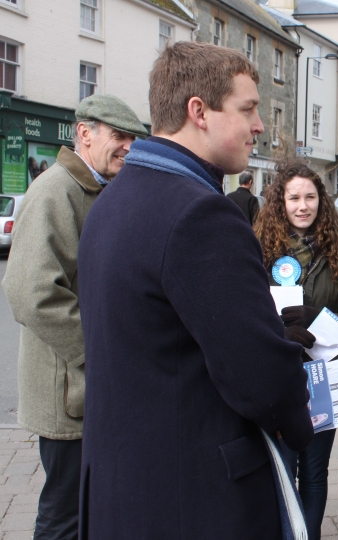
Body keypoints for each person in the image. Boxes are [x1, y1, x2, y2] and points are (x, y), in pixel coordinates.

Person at [76, 41, 315, 538]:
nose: (260, 126)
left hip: (121, 490)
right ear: (199, 112)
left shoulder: (110, 201)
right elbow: (260, 377)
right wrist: (296, 418)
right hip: (192, 498)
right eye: (248, 109)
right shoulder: (200, 215)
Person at [2, 94, 146, 540]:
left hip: (88, 393)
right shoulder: (56, 190)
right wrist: (99, 353)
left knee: (89, 510)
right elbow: (32, 294)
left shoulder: (95, 188)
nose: (128, 146)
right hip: (69, 396)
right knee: (63, 517)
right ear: (85, 133)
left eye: (132, 138)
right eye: (119, 136)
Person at [254, 161, 338, 540]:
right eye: (294, 198)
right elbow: (243, 313)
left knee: (315, 473)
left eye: (310, 197)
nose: (303, 206)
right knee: (284, 470)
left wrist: (317, 319)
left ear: (322, 201)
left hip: (324, 376)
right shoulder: (259, 250)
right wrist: (278, 332)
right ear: (280, 202)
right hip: (277, 377)